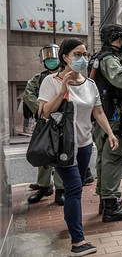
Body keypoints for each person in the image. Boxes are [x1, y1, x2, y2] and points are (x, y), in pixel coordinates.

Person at [38, 37, 119, 256]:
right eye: (77, 54)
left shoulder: (90, 84)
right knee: (73, 188)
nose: (82, 58)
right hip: (63, 146)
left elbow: (98, 112)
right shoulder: (51, 81)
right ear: (65, 57)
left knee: (78, 188)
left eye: (85, 54)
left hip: (84, 145)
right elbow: (45, 112)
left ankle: (70, 220)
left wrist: (110, 133)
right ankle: (78, 241)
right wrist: (63, 88)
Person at [91, 24, 122, 222]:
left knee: (103, 158)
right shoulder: (110, 59)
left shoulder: (98, 58)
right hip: (113, 118)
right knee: (113, 158)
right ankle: (111, 205)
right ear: (118, 39)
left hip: (102, 117)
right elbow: (120, 80)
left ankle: (105, 198)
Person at [24, 44, 65, 206]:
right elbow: (28, 94)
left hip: (62, 120)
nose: (51, 60)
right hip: (45, 121)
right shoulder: (38, 78)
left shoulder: (66, 75)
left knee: (62, 154)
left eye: (53, 57)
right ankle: (44, 186)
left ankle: (61, 189)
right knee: (43, 151)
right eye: (47, 58)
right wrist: (41, 111)